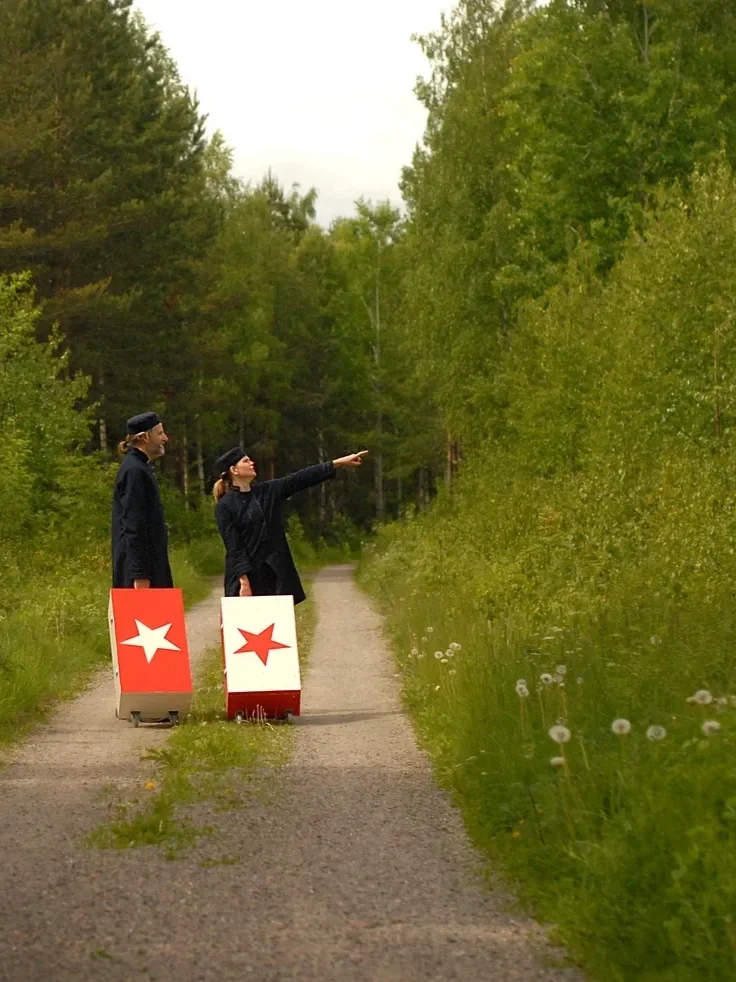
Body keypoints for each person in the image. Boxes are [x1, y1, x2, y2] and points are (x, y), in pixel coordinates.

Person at [213, 447, 367, 602]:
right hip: (245, 578)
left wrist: (339, 462)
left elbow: (301, 478)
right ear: (234, 470)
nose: (252, 462)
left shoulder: (267, 492)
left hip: (274, 574)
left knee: (278, 625)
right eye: (246, 461)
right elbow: (234, 547)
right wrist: (244, 582)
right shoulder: (225, 506)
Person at [111, 411, 173, 590]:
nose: (165, 438)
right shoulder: (134, 471)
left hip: (148, 567)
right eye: (160, 433)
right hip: (141, 575)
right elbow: (134, 525)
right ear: (145, 437)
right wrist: (140, 575)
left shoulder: (140, 468)